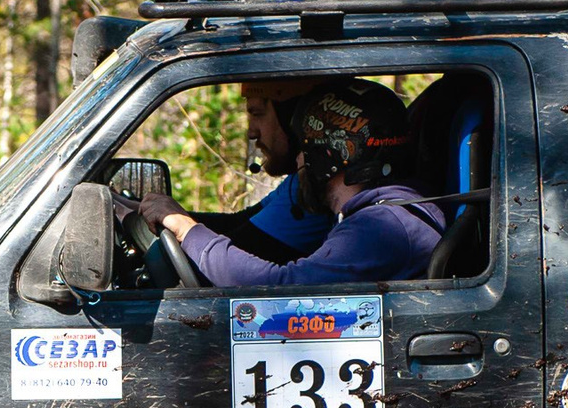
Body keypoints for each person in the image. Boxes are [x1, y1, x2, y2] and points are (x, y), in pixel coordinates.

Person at [127, 79, 441, 288]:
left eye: (305, 148)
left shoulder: (379, 226)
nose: (299, 162)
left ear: (327, 155)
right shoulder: (390, 212)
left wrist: (186, 230)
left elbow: (281, 288)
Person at [189, 79, 336, 264]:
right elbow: (240, 222)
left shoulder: (316, 186)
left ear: (293, 117)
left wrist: (183, 230)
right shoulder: (298, 181)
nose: (251, 133)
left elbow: (230, 262)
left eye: (258, 114)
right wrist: (172, 215)